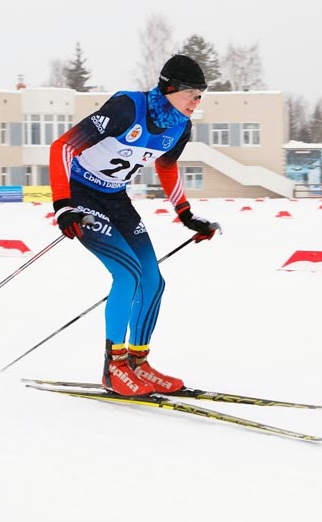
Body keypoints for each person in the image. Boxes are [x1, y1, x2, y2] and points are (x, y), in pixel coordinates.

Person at [49, 54, 219, 397]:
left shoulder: (179, 126)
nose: (196, 102)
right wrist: (63, 206)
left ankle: (138, 364)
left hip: (116, 199)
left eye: (201, 96)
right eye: (192, 94)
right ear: (170, 88)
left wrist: (185, 214)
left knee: (153, 280)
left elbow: (167, 167)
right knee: (127, 275)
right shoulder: (128, 107)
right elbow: (62, 146)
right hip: (82, 196)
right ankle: (114, 368)